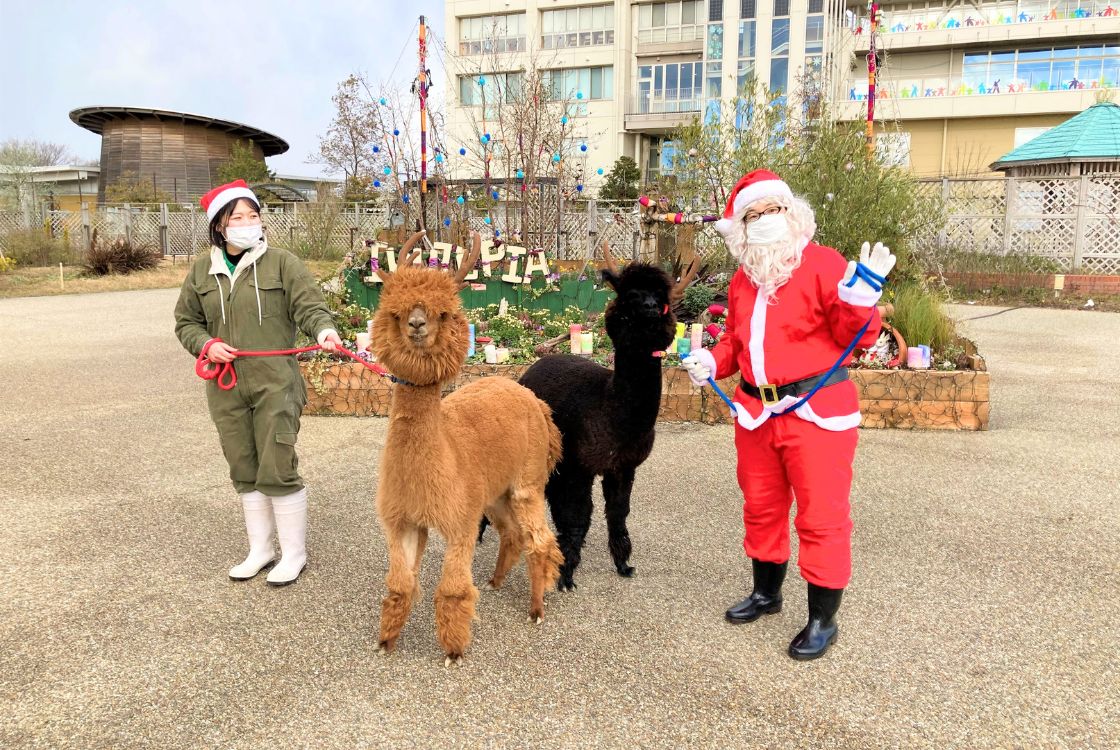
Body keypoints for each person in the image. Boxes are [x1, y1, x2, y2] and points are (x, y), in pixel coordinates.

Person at [682, 170, 895, 660]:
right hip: (756, 411)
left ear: (791, 212)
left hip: (815, 413)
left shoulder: (823, 264)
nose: (763, 221)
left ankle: (823, 618)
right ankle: (767, 593)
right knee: (761, 506)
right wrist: (712, 361)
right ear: (740, 229)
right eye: (752, 216)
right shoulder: (742, 279)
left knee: (821, 516)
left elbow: (852, 336)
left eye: (771, 210)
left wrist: (862, 300)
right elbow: (737, 340)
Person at [174, 180, 342, 586]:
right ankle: (261, 550)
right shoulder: (202, 270)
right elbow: (186, 323)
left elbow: (310, 306)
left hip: (275, 383)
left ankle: (294, 554)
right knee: (244, 467)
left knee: (277, 465)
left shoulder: (282, 262)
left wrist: (323, 331)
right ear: (219, 226)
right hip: (226, 386)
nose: (248, 224)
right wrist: (207, 344)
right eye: (238, 218)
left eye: (253, 216)